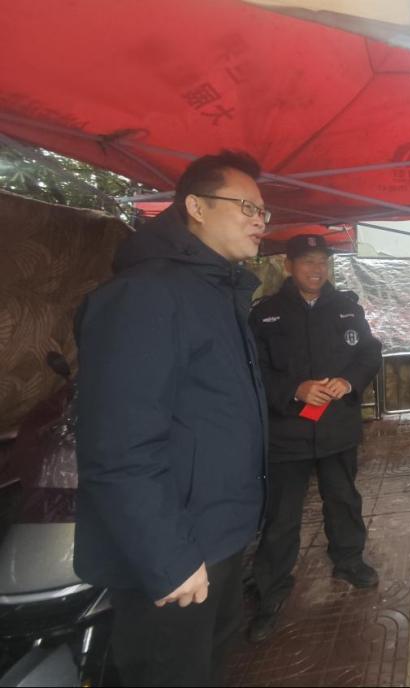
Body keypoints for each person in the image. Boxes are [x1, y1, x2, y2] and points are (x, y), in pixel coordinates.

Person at [74, 150, 269, 686]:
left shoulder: (218, 292)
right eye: (246, 207)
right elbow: (118, 446)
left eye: (263, 211)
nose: (260, 220)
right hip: (177, 555)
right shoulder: (145, 294)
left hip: (219, 538)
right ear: (196, 207)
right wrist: (168, 558)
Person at [246, 233, 383, 642]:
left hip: (337, 427)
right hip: (287, 432)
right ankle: (271, 588)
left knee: (343, 498)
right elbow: (253, 371)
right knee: (282, 515)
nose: (316, 269)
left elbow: (369, 353)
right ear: (289, 266)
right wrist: (296, 389)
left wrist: (349, 380)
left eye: (322, 261)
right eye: (307, 261)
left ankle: (349, 559)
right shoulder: (265, 314)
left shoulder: (346, 308)